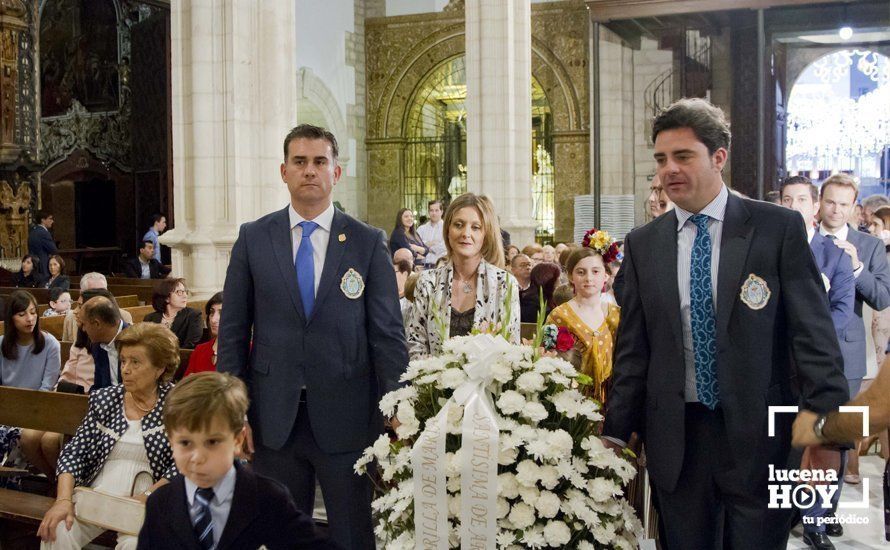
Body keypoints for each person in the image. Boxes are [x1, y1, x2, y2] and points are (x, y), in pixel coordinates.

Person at [601, 98, 849, 549]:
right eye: (661, 159)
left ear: (718, 158)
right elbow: (634, 351)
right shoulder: (644, 244)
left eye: (683, 156)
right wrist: (616, 433)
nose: (669, 170)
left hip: (765, 441)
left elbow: (815, 340)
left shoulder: (777, 229)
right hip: (678, 442)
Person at [218, 124, 407, 549]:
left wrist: (398, 406)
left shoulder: (366, 240)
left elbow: (388, 335)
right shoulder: (254, 238)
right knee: (281, 534)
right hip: (273, 417)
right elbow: (232, 333)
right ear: (283, 172)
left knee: (354, 535)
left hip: (350, 417)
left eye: (320, 162)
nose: (310, 171)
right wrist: (233, 411)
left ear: (336, 173)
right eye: (300, 162)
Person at [137, 372, 335, 549]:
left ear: (238, 440)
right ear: (171, 441)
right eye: (185, 443)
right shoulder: (160, 502)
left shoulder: (267, 498)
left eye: (212, 442)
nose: (198, 457)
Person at [37, 323, 181, 549]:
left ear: (160, 368)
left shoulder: (177, 405)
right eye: (123, 361)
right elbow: (75, 452)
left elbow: (182, 465)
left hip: (149, 500)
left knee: (135, 545)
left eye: (136, 362)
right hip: (97, 496)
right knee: (57, 529)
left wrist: (145, 497)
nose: (125, 369)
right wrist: (63, 500)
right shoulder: (105, 399)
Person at [781, 175, 855, 547]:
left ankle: (816, 524)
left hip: (820, 368)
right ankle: (784, 514)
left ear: (814, 207)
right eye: (787, 199)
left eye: (801, 200)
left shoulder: (836, 256)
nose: (794, 206)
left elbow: (841, 311)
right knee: (784, 447)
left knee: (825, 449)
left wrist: (810, 344)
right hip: (778, 370)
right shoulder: (768, 251)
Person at [406, 192, 520, 360]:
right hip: (434, 382)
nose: (466, 233)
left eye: (475, 227)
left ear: (485, 234)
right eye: (459, 225)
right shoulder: (427, 282)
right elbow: (416, 343)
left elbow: (511, 348)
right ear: (447, 230)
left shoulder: (504, 283)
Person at [547, 240, 620, 402]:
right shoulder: (559, 316)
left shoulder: (616, 315)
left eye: (595, 271)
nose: (589, 278)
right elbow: (547, 357)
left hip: (613, 398)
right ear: (570, 276)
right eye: (581, 272)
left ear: (606, 276)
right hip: (573, 399)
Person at [0, 290, 61, 391]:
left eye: (33, 312)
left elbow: (47, 386)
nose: (30, 318)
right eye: (21, 314)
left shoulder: (51, 344)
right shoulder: (1, 343)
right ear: (10, 318)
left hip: (39, 401)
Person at [62, 273, 134, 342]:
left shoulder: (124, 315)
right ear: (81, 293)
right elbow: (65, 349)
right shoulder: (71, 317)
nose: (99, 296)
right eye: (93, 293)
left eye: (103, 292)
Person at [80, 296, 129, 391]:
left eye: (84, 324)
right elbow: (99, 386)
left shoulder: (135, 342)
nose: (83, 329)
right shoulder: (96, 346)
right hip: (107, 402)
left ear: (97, 324)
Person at [143, 278, 203, 349]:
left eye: (185, 292)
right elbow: (144, 345)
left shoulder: (193, 315)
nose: (185, 296)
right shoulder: (150, 318)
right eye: (179, 292)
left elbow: (191, 345)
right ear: (167, 298)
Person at [183, 292, 223, 377]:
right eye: (212, 312)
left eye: (222, 313)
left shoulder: (249, 350)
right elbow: (185, 386)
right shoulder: (200, 350)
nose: (213, 320)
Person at [416, 199, 447, 269]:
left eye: (436, 210)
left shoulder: (447, 229)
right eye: (431, 210)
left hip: (440, 267)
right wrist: (433, 243)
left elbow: (444, 247)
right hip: (423, 267)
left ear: (441, 212)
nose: (434, 213)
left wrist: (425, 246)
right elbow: (416, 246)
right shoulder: (421, 229)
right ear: (428, 212)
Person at [28, 210, 58, 276]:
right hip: (43, 267)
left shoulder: (33, 231)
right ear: (43, 220)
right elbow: (54, 250)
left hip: (34, 266)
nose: (52, 221)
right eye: (50, 218)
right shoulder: (43, 233)